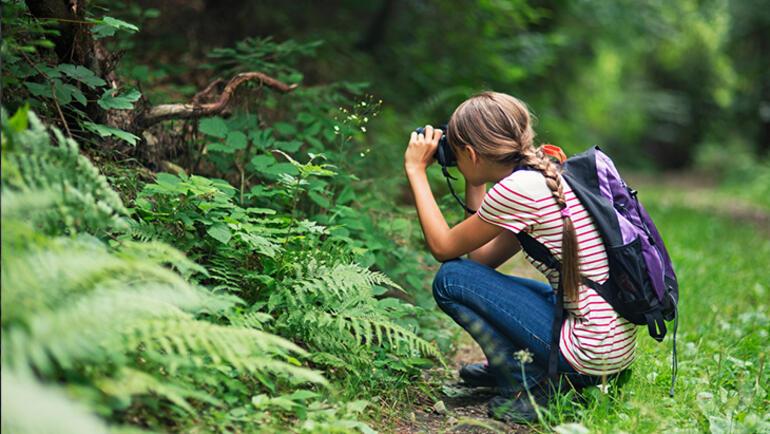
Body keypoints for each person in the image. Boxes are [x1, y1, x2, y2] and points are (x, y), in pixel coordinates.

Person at [403, 91, 636, 423]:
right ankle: (528, 367)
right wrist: (474, 178)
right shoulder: (544, 173)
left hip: (591, 350)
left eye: (458, 153)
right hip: (611, 345)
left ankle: (526, 382)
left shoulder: (517, 190)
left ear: (470, 152)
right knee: (481, 280)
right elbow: (481, 260)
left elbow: (444, 249)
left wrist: (416, 170)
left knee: (449, 279)